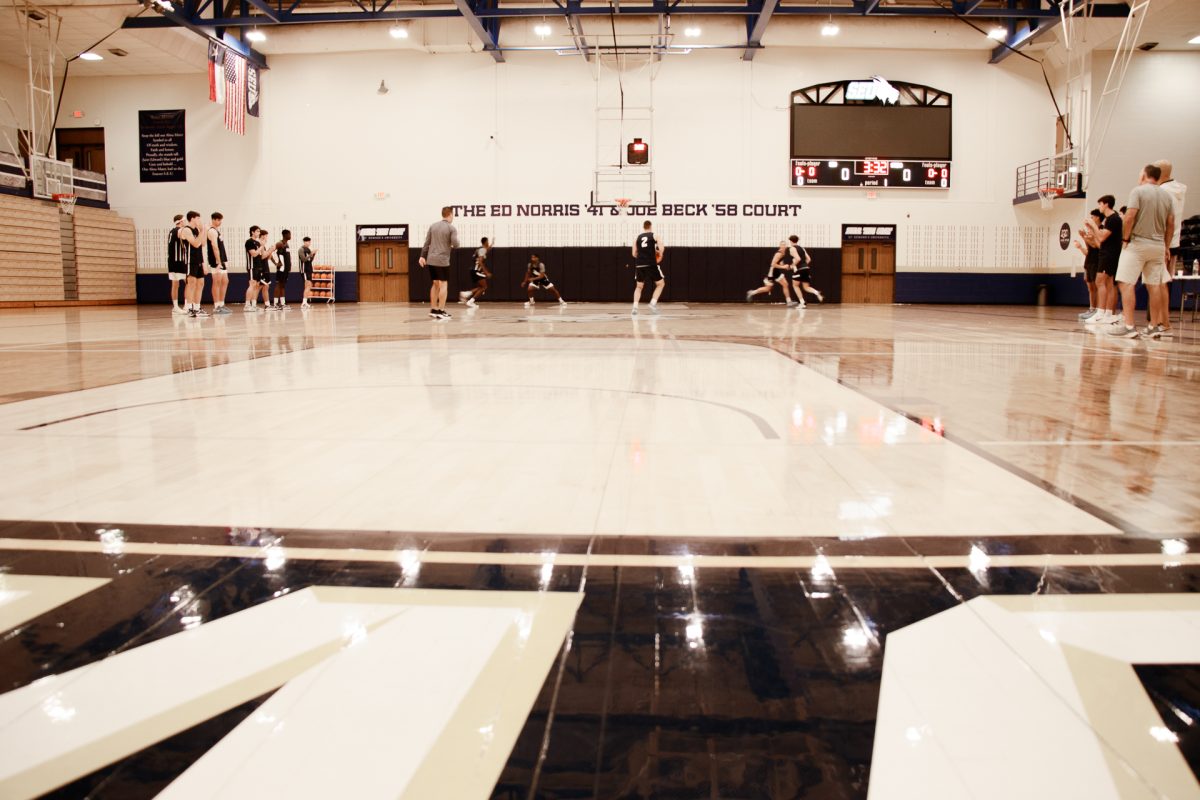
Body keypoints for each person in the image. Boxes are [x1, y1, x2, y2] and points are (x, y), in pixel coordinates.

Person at [1109, 164, 1174, 339]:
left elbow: (1129, 217)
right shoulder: (1167, 196)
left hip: (1137, 243)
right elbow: (1171, 224)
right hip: (1158, 245)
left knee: (1125, 282)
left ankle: (1129, 326)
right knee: (1155, 286)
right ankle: (1153, 326)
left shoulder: (1138, 191)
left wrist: (1125, 238)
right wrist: (1166, 246)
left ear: (1145, 175)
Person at [1086, 195, 1123, 326]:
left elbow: (1101, 237)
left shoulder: (1113, 219)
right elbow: (1100, 242)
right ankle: (1108, 314)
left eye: (1100, 204)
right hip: (1107, 253)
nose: (1099, 207)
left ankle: (1101, 313)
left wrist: (1094, 226)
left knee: (1100, 281)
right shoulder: (1110, 219)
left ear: (1106, 204)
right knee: (1108, 283)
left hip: (1109, 255)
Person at [419, 206, 458, 319]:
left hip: (431, 260)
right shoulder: (451, 228)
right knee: (444, 284)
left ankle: (433, 309)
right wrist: (453, 244)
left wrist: (422, 256)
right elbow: (456, 244)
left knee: (435, 284)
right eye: (453, 215)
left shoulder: (433, 226)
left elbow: (426, 243)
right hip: (442, 260)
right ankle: (441, 311)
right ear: (450, 215)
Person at [1154, 160, 1187, 276]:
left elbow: (1161, 219)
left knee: (1158, 282)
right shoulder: (1180, 189)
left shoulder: (1161, 191)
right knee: (1169, 281)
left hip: (1162, 242)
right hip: (1174, 242)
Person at [746, 241, 798, 305]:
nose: (784, 246)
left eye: (785, 245)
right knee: (769, 288)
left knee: (784, 285)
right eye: (782, 245)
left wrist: (786, 267)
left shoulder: (783, 253)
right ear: (780, 246)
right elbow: (773, 264)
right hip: (772, 273)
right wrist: (783, 267)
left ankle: (789, 301)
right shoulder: (778, 254)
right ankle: (752, 293)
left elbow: (781, 263)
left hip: (776, 272)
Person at [1075, 210, 1103, 321]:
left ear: (1098, 218)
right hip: (1089, 261)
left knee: (1097, 287)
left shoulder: (1101, 230)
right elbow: (1089, 248)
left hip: (1097, 261)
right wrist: (1084, 239)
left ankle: (1098, 310)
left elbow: (1096, 245)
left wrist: (1084, 237)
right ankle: (1092, 308)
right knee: (1090, 287)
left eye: (1093, 217)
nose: (1091, 218)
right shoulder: (1090, 230)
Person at [631, 220, 664, 315]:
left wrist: (642, 256)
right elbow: (661, 248)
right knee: (660, 284)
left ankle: (635, 308)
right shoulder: (654, 235)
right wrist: (659, 253)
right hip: (651, 263)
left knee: (639, 286)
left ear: (643, 227)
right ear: (650, 226)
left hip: (640, 264)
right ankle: (652, 304)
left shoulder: (637, 237)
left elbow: (634, 254)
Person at [179, 211, 208, 318]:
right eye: (198, 218)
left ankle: (197, 307)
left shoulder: (197, 230)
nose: (199, 220)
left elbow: (203, 243)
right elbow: (195, 244)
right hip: (190, 260)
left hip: (199, 260)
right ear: (192, 219)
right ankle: (189, 308)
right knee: (191, 283)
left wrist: (203, 231)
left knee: (200, 283)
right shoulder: (186, 229)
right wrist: (202, 231)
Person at [206, 212, 231, 315]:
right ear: (214, 220)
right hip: (216, 260)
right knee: (217, 282)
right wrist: (218, 261)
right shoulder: (211, 231)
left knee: (225, 281)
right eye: (219, 220)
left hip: (222, 259)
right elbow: (214, 247)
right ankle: (216, 306)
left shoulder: (217, 231)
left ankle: (221, 304)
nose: (220, 222)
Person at [788, 235, 824, 306]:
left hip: (799, 269)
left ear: (791, 241)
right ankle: (816, 292)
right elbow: (809, 259)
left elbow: (798, 259)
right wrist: (804, 265)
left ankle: (802, 303)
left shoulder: (792, 248)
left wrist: (791, 265)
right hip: (806, 268)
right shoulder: (802, 248)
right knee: (806, 287)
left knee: (795, 285)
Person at [460, 237, 492, 307]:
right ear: (486, 242)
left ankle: (466, 294)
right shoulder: (482, 250)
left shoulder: (481, 249)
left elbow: (487, 249)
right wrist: (486, 272)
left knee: (481, 287)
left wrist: (492, 244)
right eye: (488, 241)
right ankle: (470, 301)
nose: (488, 243)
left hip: (474, 270)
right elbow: (480, 262)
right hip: (477, 270)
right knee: (484, 287)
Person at [167, 214, 187, 314]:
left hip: (171, 261)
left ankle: (175, 307)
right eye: (184, 220)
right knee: (189, 282)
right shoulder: (180, 231)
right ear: (180, 222)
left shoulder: (171, 231)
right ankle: (187, 305)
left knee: (175, 284)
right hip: (179, 261)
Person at [250, 229, 274, 311]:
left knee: (265, 287)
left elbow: (267, 257)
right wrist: (271, 250)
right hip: (261, 268)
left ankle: (267, 305)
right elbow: (262, 257)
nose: (267, 237)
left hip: (266, 267)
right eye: (266, 236)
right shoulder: (259, 244)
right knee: (259, 287)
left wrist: (270, 251)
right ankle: (254, 305)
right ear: (263, 236)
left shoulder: (263, 244)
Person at [273, 229, 293, 310]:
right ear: (285, 235)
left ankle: (283, 303)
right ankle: (275, 303)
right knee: (278, 285)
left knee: (283, 285)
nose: (290, 236)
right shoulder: (280, 243)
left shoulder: (287, 244)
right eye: (289, 234)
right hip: (281, 268)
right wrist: (276, 263)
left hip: (286, 269)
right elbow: (274, 252)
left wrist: (289, 265)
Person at [243, 225, 261, 311]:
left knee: (256, 286)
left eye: (259, 231)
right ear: (252, 232)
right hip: (252, 266)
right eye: (257, 231)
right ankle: (247, 305)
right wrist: (262, 246)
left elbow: (261, 255)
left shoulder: (257, 243)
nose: (259, 233)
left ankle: (253, 305)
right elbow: (254, 254)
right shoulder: (249, 242)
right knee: (252, 284)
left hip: (258, 266)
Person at [299, 236, 317, 309]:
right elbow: (304, 259)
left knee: (308, 286)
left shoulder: (308, 249)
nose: (309, 243)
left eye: (309, 242)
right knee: (308, 285)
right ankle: (304, 303)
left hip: (309, 269)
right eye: (307, 242)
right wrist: (310, 254)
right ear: (304, 242)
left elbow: (310, 260)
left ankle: (305, 302)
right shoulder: (301, 249)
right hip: (304, 270)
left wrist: (314, 254)